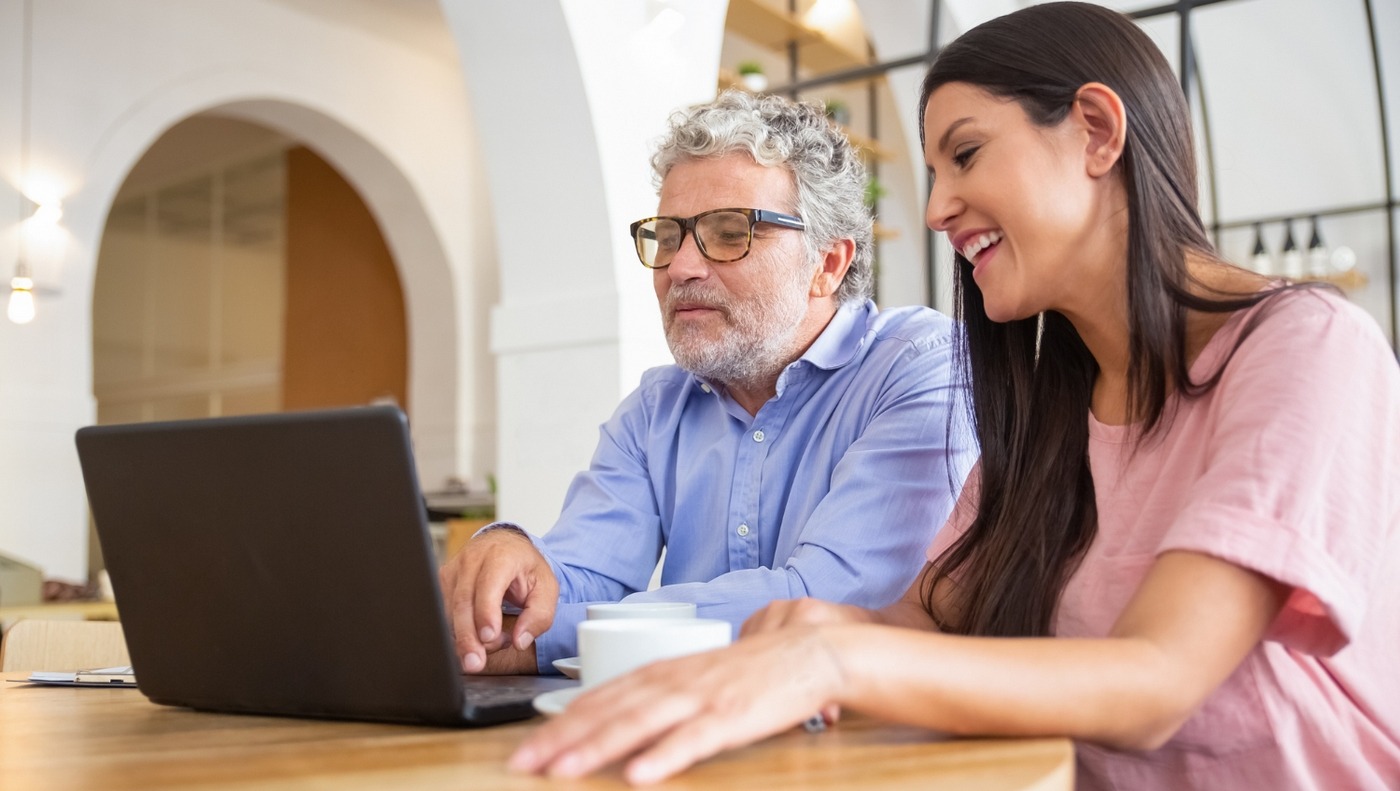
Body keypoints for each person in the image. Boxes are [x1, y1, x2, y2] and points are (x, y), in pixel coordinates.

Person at [509, 4, 1400, 788]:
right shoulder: (1052, 405)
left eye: (965, 154)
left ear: (1095, 131)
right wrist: (823, 622)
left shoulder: (1304, 346)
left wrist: (832, 656)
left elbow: (1157, 682)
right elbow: (929, 614)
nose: (936, 209)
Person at [440, 90, 976, 675]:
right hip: (681, 738)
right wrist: (512, 566)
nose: (680, 267)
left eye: (728, 233)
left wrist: (536, 641)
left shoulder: (922, 367)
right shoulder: (654, 408)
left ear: (828, 264)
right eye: (667, 236)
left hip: (862, 749)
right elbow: (579, 574)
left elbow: (828, 601)